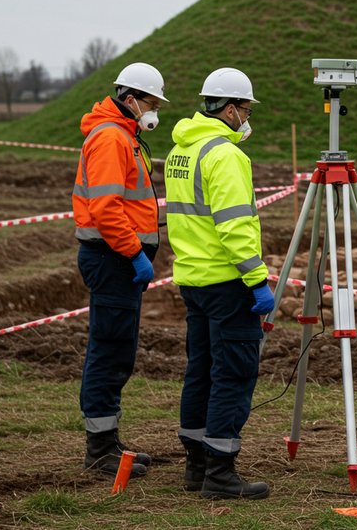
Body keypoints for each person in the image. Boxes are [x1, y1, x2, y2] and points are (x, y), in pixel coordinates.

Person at [165, 67, 274, 500]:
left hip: (193, 278)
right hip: (228, 281)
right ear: (229, 108)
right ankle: (220, 471)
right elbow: (234, 226)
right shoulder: (225, 155)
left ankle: (196, 464)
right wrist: (257, 279)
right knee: (234, 373)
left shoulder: (183, 149)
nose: (247, 117)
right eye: (245, 109)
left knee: (202, 370)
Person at [74, 62, 167, 478]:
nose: (153, 110)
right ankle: (100, 451)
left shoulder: (122, 136)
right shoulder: (112, 138)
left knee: (117, 350)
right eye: (150, 102)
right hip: (112, 258)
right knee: (110, 350)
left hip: (115, 257)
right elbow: (107, 209)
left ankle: (108, 441)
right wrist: (134, 252)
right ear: (130, 99)